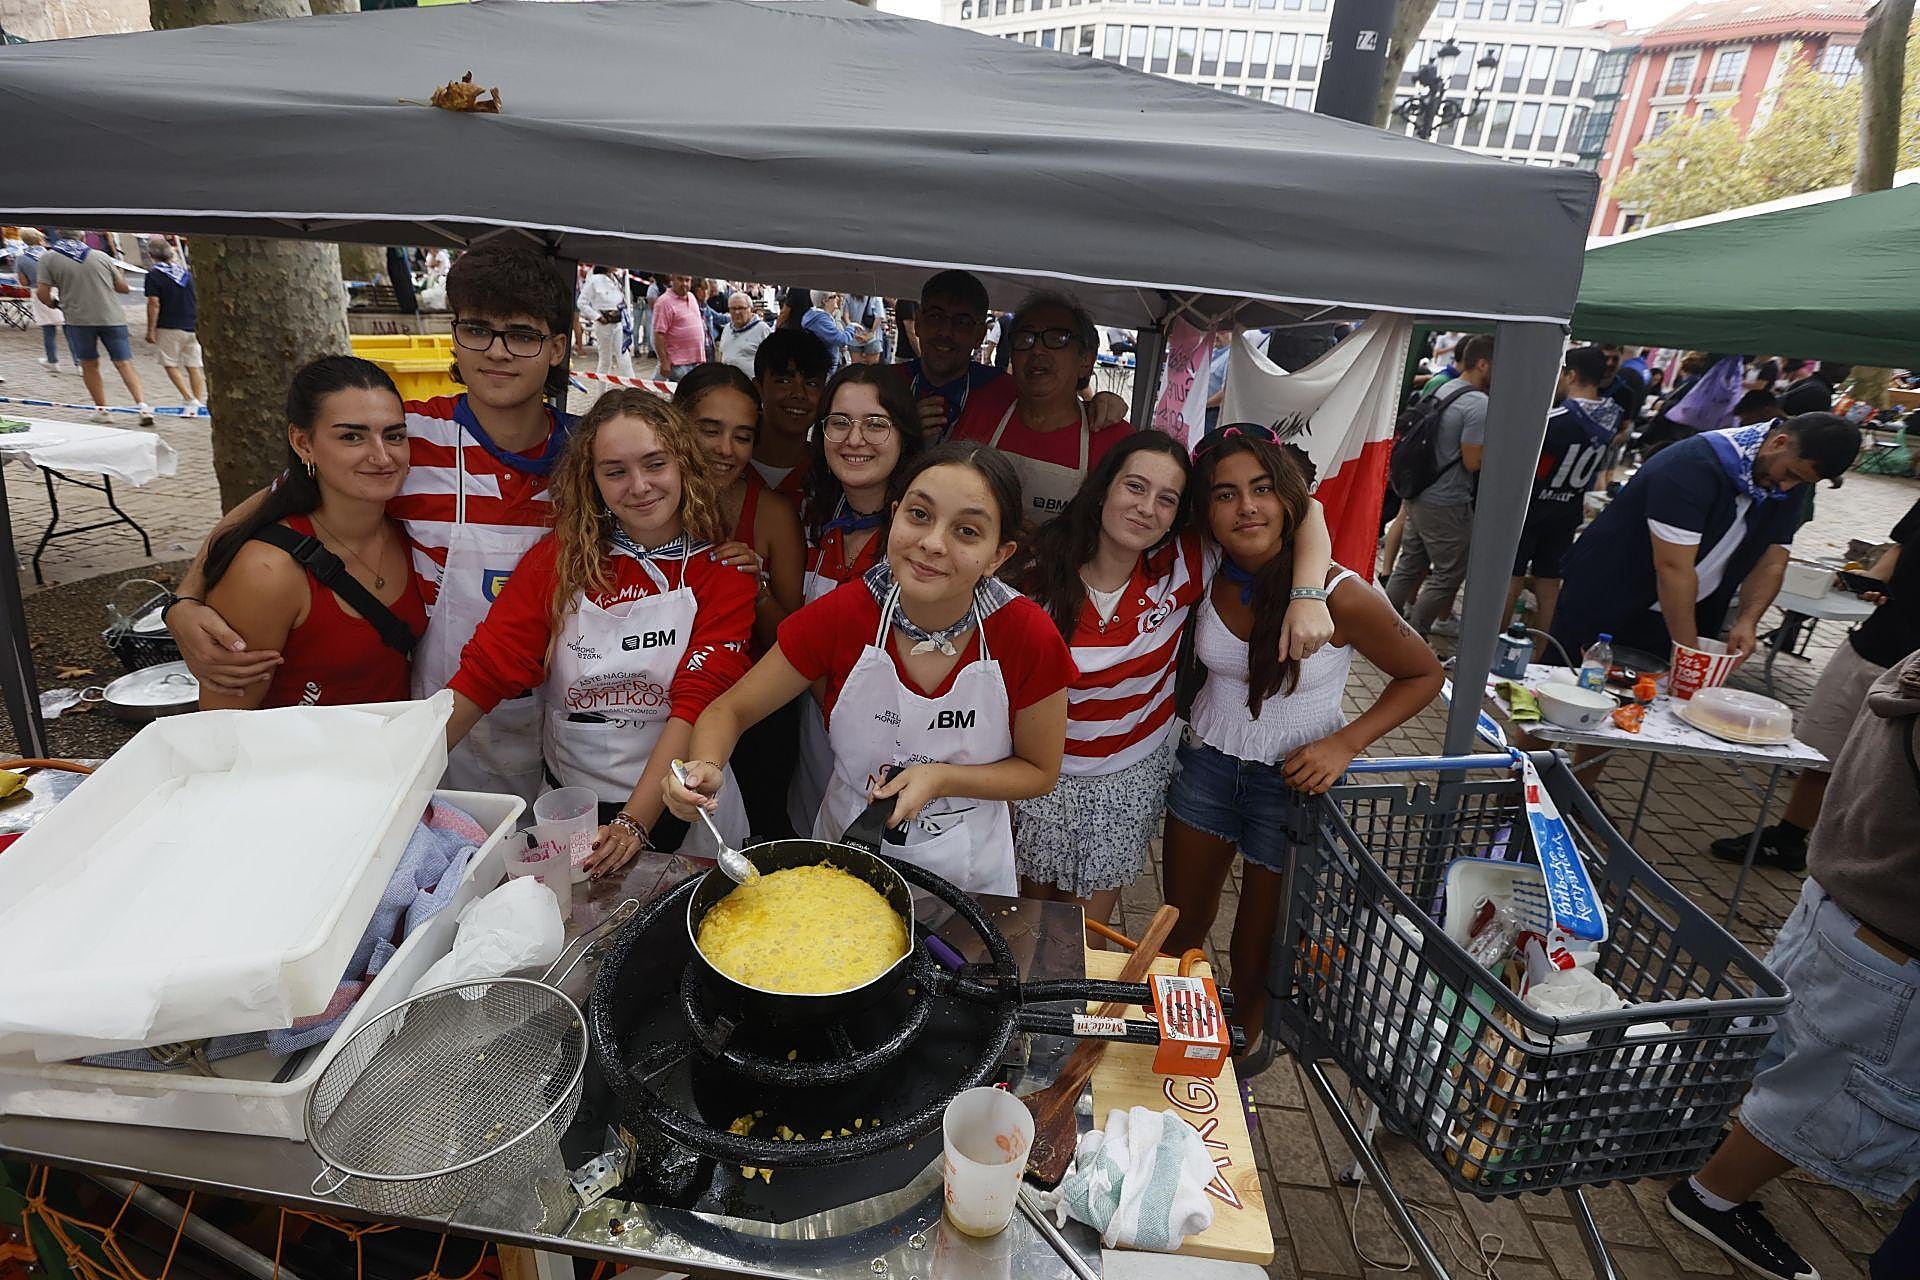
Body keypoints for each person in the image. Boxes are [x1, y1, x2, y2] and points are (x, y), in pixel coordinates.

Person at [168, 241, 577, 808]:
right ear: (455, 334)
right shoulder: (408, 436)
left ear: (557, 347)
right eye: (477, 329)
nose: (497, 352)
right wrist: (184, 601)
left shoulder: (587, 455)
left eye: (522, 335)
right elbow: (269, 503)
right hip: (443, 717)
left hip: (568, 720)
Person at [667, 441, 1075, 896]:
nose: (932, 543)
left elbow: (1040, 771)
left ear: (999, 555)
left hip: (966, 870)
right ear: (895, 515)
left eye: (967, 532)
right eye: (919, 515)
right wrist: (704, 767)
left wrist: (941, 777)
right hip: (844, 853)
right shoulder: (845, 613)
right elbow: (730, 711)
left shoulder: (1026, 634)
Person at [1160, 426, 1443, 1042]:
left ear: (1287, 497)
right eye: (1226, 494)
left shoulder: (1341, 595)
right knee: (1178, 927)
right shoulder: (1208, 566)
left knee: (1259, 942)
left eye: (1263, 489)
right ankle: (1171, 1038)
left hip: (1293, 783)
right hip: (1206, 763)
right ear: (1206, 511)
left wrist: (1345, 745)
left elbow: (1423, 673)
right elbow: (1304, 507)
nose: (1248, 508)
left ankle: (1239, 1058)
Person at [1010, 430, 1335, 928]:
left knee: (1077, 945)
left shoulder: (1187, 559)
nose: (1147, 508)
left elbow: (1306, 509)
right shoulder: (1035, 574)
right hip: (1038, 775)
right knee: (1026, 928)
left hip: (1126, 780)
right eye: (1134, 487)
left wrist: (1309, 593)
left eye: (1167, 499)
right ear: (1103, 489)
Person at [1666, 650, 1920, 1280]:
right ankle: (1711, 1196)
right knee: (1826, 1094)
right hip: (1891, 939)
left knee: (1785, 1046)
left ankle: (1688, 1132)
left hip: (1845, 902)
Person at [447, 389, 754, 874]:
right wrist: (402, 774)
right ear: (591, 481)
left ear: (683, 466)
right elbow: (484, 673)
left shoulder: (724, 575)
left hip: (687, 808)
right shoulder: (557, 561)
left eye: (655, 464)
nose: (639, 486)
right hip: (573, 810)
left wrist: (634, 823)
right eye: (615, 471)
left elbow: (698, 703)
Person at [194, 357, 425, 710]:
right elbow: (220, 728)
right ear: (303, 443)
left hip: (405, 759)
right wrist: (180, 604)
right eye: (352, 436)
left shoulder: (418, 530)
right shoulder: (266, 572)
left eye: (393, 435)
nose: (382, 457)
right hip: (295, 763)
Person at [1709, 498, 1920, 871]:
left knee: (1888, 781)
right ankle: (1789, 839)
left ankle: (1858, 864)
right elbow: (1902, 546)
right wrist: (1874, 580)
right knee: (1821, 750)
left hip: (1913, 677)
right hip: (1871, 645)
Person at [1550, 415, 1862, 667]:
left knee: (1629, 711)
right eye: (1790, 474)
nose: (1787, 486)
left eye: (1801, 482)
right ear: (1779, 442)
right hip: (1605, 596)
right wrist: (1689, 654)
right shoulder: (1693, 465)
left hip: (1682, 609)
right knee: (1562, 699)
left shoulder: (1790, 481)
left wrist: (1747, 621)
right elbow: (1673, 567)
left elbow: (1772, 560)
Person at [785, 364, 930, 836]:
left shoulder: (923, 538)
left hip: (892, 743)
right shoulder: (808, 512)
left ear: (904, 435)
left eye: (875, 424)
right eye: (839, 421)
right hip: (813, 737)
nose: (854, 438)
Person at [674, 363, 806, 840]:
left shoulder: (772, 513)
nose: (725, 450)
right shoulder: (644, 500)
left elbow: (793, 641)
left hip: (753, 719)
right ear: (677, 424)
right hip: (655, 707)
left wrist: (759, 589)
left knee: (760, 838)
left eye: (742, 436)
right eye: (709, 430)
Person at [951, 291, 1133, 524]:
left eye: (1058, 338)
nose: (1037, 350)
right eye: (1025, 338)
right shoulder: (980, 407)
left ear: (1086, 360)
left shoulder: (1114, 441)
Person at [894, 269, 1127, 444]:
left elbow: (1059, 407)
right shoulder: (882, 385)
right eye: (936, 317)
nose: (945, 332)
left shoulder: (1006, 391)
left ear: (980, 335)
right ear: (918, 324)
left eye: (962, 322)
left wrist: (1102, 402)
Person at [1505, 345, 1623, 642]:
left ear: (1571, 375)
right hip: (1569, 505)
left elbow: (1530, 464)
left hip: (1531, 507)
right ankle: (1543, 647)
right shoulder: (1612, 418)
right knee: (1549, 581)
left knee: (1511, 578)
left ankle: (1492, 644)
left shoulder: (1555, 418)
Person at [1382, 333, 1494, 637]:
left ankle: (1383, 631)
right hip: (1446, 499)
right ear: (1483, 364)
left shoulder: (1447, 388)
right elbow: (1473, 462)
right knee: (1449, 572)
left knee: (1409, 563)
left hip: (1419, 490)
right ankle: (1414, 636)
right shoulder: (1478, 404)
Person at [34, 228, 152, 424]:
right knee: (124, 363)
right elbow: (122, 287)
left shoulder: (49, 258)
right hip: (112, 316)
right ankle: (143, 406)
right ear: (82, 236)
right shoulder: (100, 256)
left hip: (79, 319)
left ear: (58, 235)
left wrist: (54, 304)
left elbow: (42, 293)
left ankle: (102, 410)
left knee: (89, 364)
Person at [749, 327, 833, 504]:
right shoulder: (729, 464)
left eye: (811, 383)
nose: (799, 394)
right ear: (758, 388)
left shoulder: (831, 474)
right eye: (784, 381)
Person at [141, 236, 205, 414]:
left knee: (170, 363)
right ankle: (198, 400)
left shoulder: (154, 275)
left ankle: (188, 398)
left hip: (169, 325)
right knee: (193, 365)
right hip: (191, 323)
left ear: (151, 255)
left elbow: (154, 303)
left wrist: (150, 330)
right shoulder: (186, 273)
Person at [14, 229, 66, 375]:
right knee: (69, 328)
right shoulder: (53, 254)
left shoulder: (22, 258)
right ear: (39, 239)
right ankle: (78, 363)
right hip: (59, 289)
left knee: (48, 329)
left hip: (38, 291)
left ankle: (52, 360)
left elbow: (23, 282)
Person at [778, 287, 854, 375]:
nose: (837, 298)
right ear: (825, 301)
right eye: (834, 296)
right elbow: (840, 339)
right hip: (824, 366)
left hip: (821, 363)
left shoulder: (818, 316)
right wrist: (851, 327)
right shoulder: (821, 319)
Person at [578, 265, 635, 379]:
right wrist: (597, 317)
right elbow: (581, 302)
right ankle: (602, 392)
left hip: (619, 322)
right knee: (605, 360)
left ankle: (633, 389)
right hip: (604, 324)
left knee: (624, 357)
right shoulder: (594, 279)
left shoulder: (615, 278)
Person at [652, 274, 708, 379]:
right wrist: (664, 362)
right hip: (677, 365)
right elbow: (659, 334)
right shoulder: (663, 302)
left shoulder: (692, 297)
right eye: (680, 279)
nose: (684, 284)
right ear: (672, 279)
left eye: (687, 280)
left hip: (696, 362)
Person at [716, 291, 771, 379]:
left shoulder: (762, 329)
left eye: (741, 308)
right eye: (733, 308)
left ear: (751, 309)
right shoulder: (727, 329)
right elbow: (722, 354)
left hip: (751, 385)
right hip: (729, 384)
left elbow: (771, 361)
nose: (737, 312)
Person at [1779, 361, 1849, 416]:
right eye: (1847, 367)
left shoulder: (1810, 382)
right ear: (1833, 367)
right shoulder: (1819, 393)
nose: (1848, 372)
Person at [844, 293, 886, 365]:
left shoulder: (849, 295)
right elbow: (879, 317)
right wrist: (871, 333)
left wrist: (851, 327)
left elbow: (845, 315)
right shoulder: (875, 295)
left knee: (856, 369)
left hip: (855, 336)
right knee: (872, 369)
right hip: (872, 338)